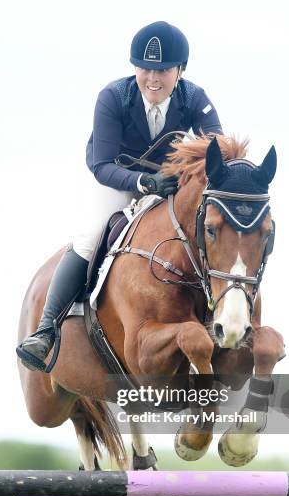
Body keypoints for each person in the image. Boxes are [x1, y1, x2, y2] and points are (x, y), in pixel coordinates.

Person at [17, 20, 223, 371]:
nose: (153, 79)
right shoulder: (113, 97)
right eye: (145, 69)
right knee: (92, 235)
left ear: (180, 71)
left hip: (167, 184)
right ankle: (46, 330)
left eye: (162, 70)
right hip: (118, 180)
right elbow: (101, 165)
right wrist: (145, 182)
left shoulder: (195, 99)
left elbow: (216, 152)